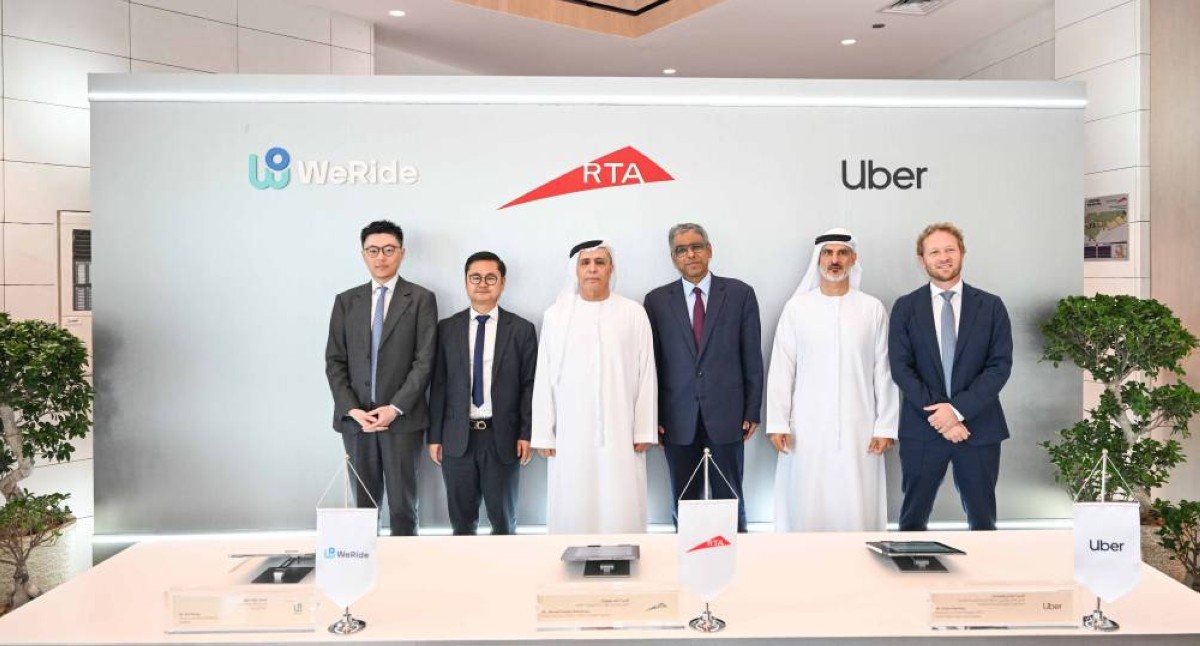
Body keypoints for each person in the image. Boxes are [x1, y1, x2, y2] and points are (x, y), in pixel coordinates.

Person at [766, 228, 898, 532]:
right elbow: (782, 369)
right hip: (806, 428)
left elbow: (884, 371)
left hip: (860, 427)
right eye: (828, 253)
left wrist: (885, 426)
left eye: (842, 253)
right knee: (807, 500)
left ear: (853, 258)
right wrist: (778, 423)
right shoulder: (797, 308)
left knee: (857, 502)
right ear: (818, 258)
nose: (834, 260)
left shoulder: (872, 309)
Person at [889, 222, 1013, 531]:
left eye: (949, 250)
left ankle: (984, 565)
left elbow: (999, 367)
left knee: (983, 520)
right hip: (922, 429)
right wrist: (942, 417)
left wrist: (956, 411)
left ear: (962, 253)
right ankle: (911, 564)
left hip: (979, 428)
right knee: (912, 520)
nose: (943, 257)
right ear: (922, 260)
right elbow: (901, 368)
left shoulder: (991, 306)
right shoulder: (905, 308)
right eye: (934, 252)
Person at [530, 240, 657, 534]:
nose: (592, 269)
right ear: (575, 270)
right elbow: (544, 376)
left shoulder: (633, 312)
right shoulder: (556, 316)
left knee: (621, 499)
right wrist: (545, 434)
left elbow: (646, 373)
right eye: (585, 263)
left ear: (611, 268)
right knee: (573, 498)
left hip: (621, 429)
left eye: (600, 262)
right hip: (570, 433)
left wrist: (644, 429)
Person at [643, 223, 763, 532]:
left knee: (730, 496)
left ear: (709, 250)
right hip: (676, 418)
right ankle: (686, 556)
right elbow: (652, 365)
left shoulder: (739, 294)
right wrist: (653, 417)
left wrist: (752, 410)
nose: (690, 254)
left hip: (728, 414)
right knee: (684, 498)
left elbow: (751, 356)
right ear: (673, 258)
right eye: (681, 250)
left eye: (696, 246)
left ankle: (737, 552)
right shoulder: (656, 301)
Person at [325, 220, 437, 536]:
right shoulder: (346, 301)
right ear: (363, 254)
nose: (381, 257)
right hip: (357, 422)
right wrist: (352, 409)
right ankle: (366, 566)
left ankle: (406, 565)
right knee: (363, 509)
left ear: (402, 253)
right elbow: (334, 361)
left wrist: (395, 407)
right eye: (373, 250)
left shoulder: (421, 299)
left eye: (388, 249)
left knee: (403, 507)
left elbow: (425, 361)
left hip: (402, 421)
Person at [428, 252, 538, 535]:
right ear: (465, 282)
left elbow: (529, 386)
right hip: (457, 438)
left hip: (502, 438)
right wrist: (435, 436)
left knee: (503, 521)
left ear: (502, 282)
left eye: (491, 278)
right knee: (461, 524)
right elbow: (438, 385)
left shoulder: (522, 330)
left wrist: (526, 433)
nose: (482, 284)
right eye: (475, 277)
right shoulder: (446, 329)